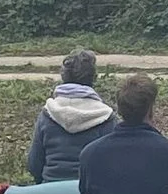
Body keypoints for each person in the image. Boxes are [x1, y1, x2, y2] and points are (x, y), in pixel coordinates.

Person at [27, 50, 115, 184]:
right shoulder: (105, 117)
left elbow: (34, 164)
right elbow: (113, 163)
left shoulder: (47, 114)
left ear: (64, 77)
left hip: (51, 190)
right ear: (93, 78)